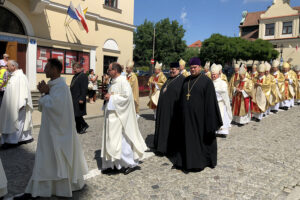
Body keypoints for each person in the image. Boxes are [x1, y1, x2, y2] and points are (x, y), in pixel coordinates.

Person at [14, 58, 88, 200]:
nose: (45, 70)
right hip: (51, 130)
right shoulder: (53, 85)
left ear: (54, 69)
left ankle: (40, 190)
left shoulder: (60, 87)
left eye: (47, 68)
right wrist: (46, 92)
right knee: (49, 159)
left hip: (57, 132)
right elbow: (43, 108)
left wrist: (45, 93)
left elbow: (55, 108)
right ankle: (46, 187)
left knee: (48, 158)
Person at [171, 57, 222, 172]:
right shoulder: (186, 80)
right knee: (185, 140)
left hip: (200, 120)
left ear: (199, 67)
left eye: (195, 67)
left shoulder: (206, 81)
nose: (193, 69)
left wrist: (210, 121)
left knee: (198, 142)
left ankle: (197, 163)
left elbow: (211, 103)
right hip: (186, 118)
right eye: (191, 67)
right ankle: (184, 161)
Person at [101, 62, 148, 175]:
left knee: (122, 142)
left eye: (110, 69)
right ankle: (112, 164)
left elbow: (127, 98)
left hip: (120, 118)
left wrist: (111, 97)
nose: (108, 71)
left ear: (115, 71)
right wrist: (108, 98)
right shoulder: (112, 81)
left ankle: (129, 164)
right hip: (111, 116)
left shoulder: (123, 82)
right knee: (110, 141)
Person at [0, 60, 33, 149]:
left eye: (7, 66)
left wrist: (22, 103)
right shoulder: (14, 76)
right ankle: (21, 139)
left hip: (18, 105)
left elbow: (24, 91)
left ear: (13, 66)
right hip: (11, 105)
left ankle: (12, 141)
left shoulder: (21, 76)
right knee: (12, 122)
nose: (6, 68)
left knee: (16, 123)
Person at [153, 62, 185, 155]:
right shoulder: (169, 79)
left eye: (173, 69)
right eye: (171, 69)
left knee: (169, 129)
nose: (171, 71)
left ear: (178, 70)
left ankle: (168, 149)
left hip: (173, 110)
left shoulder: (182, 80)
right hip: (164, 109)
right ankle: (160, 147)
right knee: (163, 128)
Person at [211, 64, 232, 137]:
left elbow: (223, 92)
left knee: (222, 116)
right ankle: (215, 130)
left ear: (218, 74)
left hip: (220, 103)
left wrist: (215, 92)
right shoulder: (210, 83)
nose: (213, 76)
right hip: (212, 104)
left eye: (214, 75)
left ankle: (223, 132)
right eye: (212, 74)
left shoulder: (222, 83)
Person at [70, 62, 89, 134]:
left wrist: (82, 98)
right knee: (75, 114)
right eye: (73, 69)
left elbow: (84, 88)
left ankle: (84, 125)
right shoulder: (75, 76)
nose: (73, 71)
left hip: (79, 98)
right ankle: (78, 128)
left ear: (79, 68)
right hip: (74, 97)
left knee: (77, 114)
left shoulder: (83, 76)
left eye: (75, 69)